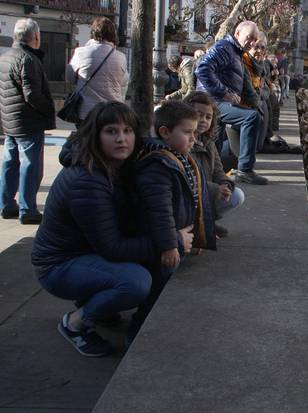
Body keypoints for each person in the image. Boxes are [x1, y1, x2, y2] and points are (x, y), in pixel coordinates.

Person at [31, 102, 178, 357]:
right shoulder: (87, 181)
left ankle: (98, 303)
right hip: (59, 266)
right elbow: (112, 247)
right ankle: (76, 323)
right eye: (111, 131)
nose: (122, 139)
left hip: (84, 254)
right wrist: (170, 241)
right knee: (136, 282)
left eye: (128, 131)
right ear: (96, 135)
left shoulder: (113, 166)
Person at [128, 100, 216, 341]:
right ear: (164, 132)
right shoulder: (158, 165)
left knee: (164, 283)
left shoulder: (177, 157)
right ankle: (137, 333)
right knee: (158, 287)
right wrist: (169, 245)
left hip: (174, 238)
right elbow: (160, 211)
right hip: (163, 244)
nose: (194, 139)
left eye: (194, 133)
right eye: (187, 133)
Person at [196, 21, 267, 185]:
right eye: (249, 37)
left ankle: (213, 174)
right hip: (213, 100)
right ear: (237, 34)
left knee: (215, 140)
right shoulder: (224, 47)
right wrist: (224, 92)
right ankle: (245, 170)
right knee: (250, 118)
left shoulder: (235, 51)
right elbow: (202, 69)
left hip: (217, 101)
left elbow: (243, 82)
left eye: (254, 40)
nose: (251, 42)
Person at [0, 18, 55, 225]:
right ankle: (27, 209)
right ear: (36, 37)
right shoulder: (28, 60)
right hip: (28, 121)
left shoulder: (6, 57)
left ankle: (6, 204)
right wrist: (49, 108)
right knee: (30, 166)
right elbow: (32, 94)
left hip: (10, 119)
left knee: (10, 162)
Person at [185, 92, 245, 238]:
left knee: (236, 195)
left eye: (208, 117)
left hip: (206, 192)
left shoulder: (208, 143)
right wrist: (215, 189)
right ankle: (195, 226)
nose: (203, 120)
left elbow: (218, 170)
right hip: (188, 194)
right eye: (199, 115)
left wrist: (225, 185)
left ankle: (207, 221)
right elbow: (188, 178)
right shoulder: (183, 141)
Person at [65, 17, 128, 122]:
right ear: (113, 35)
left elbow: (69, 78)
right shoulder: (121, 57)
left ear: (93, 32)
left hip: (86, 112)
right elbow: (123, 81)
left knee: (86, 137)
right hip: (112, 112)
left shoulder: (80, 52)